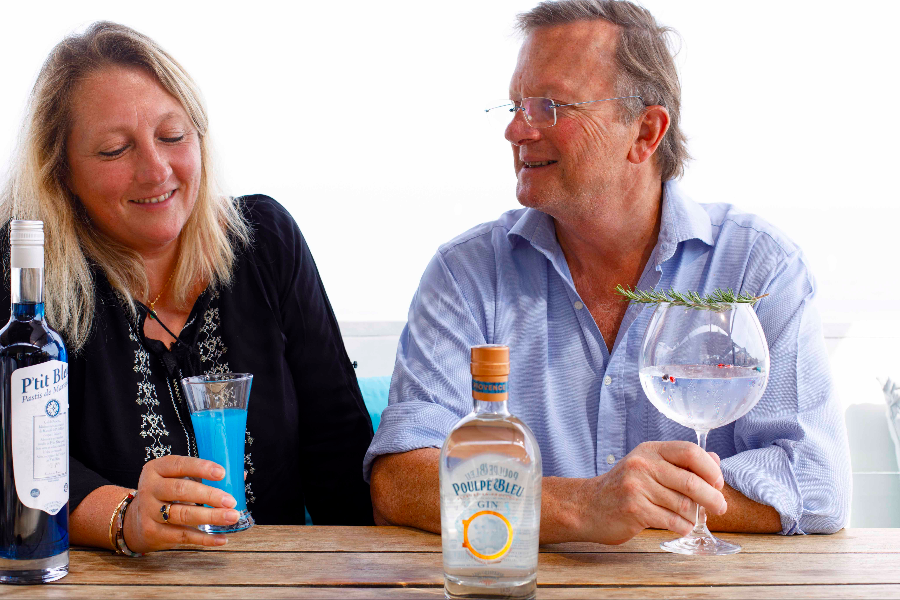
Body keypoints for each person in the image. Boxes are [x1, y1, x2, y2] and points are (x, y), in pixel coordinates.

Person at [365, 0, 850, 543]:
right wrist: (584, 505)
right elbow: (400, 480)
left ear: (645, 132)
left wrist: (638, 501)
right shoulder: (466, 274)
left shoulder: (758, 267)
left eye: (549, 106)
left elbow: (815, 484)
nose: (517, 132)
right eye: (516, 105)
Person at [0, 22, 374, 555]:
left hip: (278, 580)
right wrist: (123, 516)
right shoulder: (22, 272)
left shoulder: (266, 240)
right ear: (60, 173)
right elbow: (10, 460)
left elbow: (339, 445)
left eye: (173, 137)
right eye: (113, 150)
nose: (156, 171)